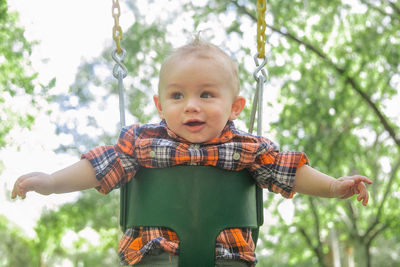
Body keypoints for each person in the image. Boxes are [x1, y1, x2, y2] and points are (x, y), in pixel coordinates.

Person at [12, 37, 372, 267]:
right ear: (159, 104)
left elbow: (289, 170)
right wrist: (50, 182)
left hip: (227, 259)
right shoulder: (141, 142)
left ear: (235, 107)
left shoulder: (248, 148)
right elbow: (98, 167)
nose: (191, 106)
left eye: (207, 94)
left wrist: (333, 186)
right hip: (153, 256)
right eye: (177, 95)